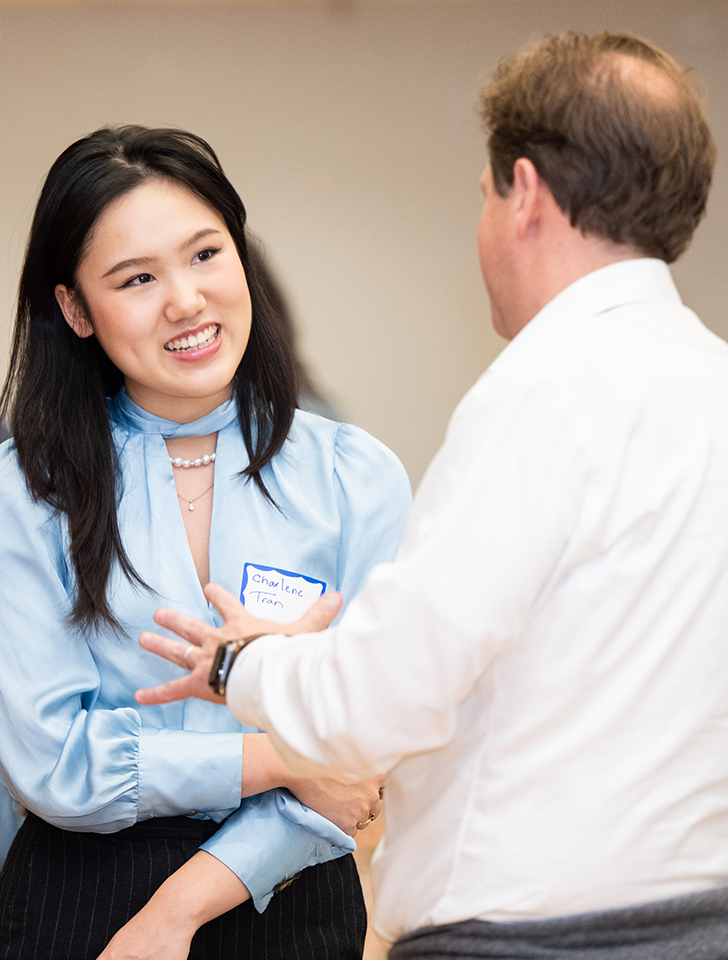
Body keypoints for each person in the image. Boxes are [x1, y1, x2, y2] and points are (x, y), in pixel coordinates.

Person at [134, 31, 728, 960]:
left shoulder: (543, 394)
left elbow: (381, 701)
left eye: (484, 193)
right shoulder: (711, 385)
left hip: (530, 935)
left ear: (523, 193)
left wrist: (238, 664)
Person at [0, 125, 411, 960]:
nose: (185, 300)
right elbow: (55, 765)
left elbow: (366, 752)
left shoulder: (354, 477)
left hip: (288, 889)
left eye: (204, 255)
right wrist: (287, 754)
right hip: (78, 902)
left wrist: (176, 911)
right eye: (136, 278)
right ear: (75, 308)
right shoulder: (23, 487)